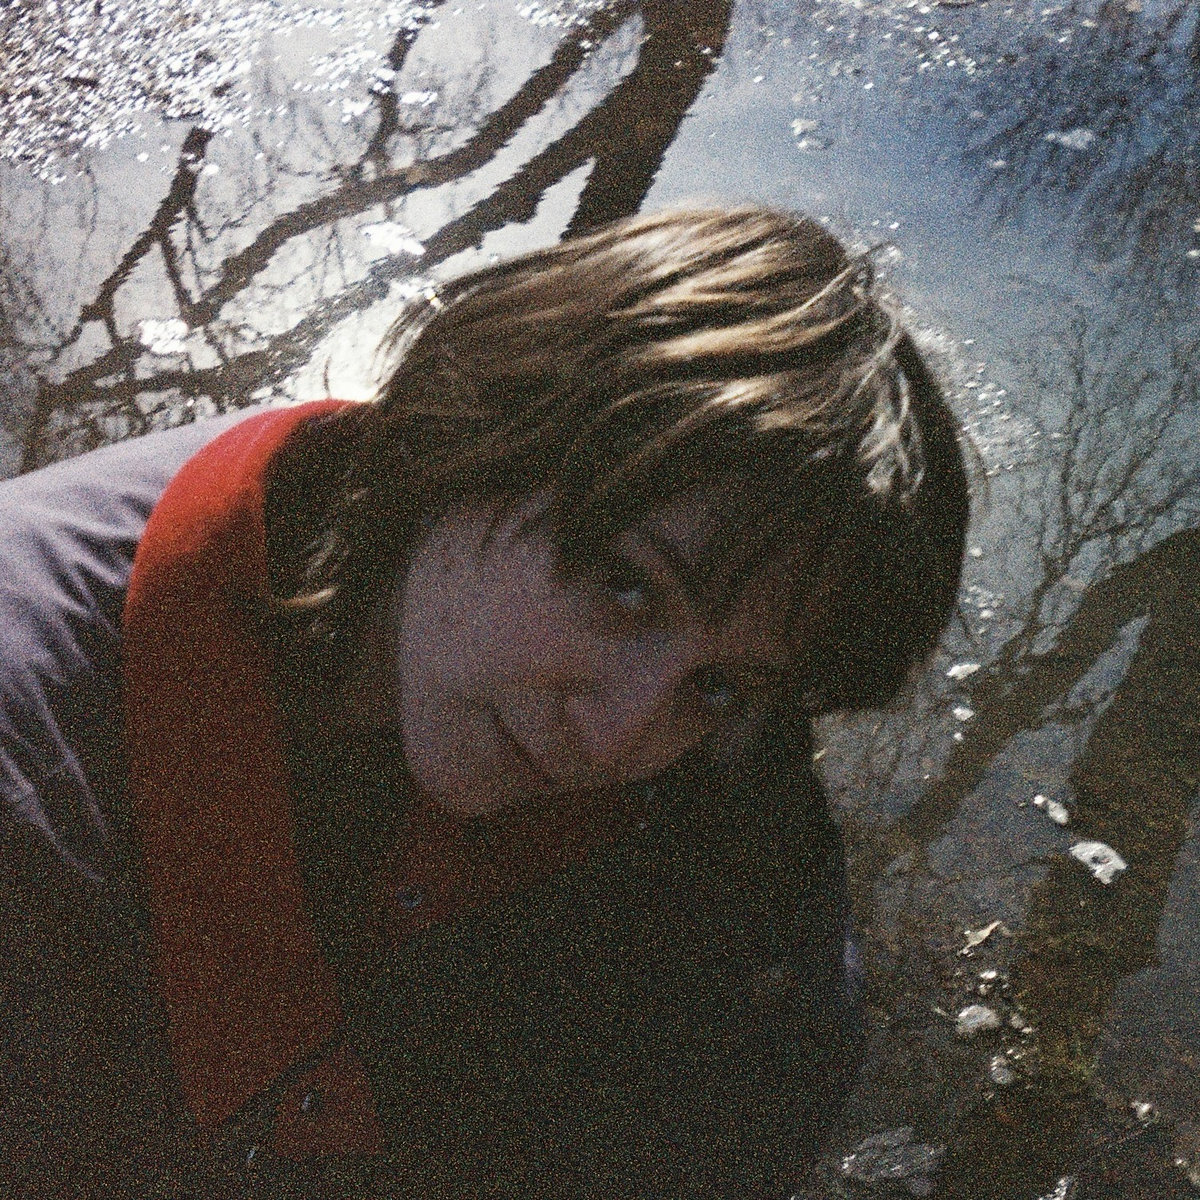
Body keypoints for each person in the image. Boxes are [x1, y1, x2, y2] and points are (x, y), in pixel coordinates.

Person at [0, 206, 969, 1199]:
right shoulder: (29, 778)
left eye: (718, 685)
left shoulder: (698, 705)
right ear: (468, 435)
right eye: (626, 587)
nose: (619, 737)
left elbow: (770, 1076)